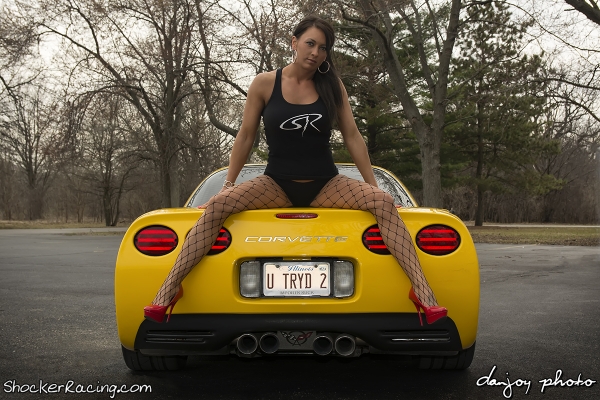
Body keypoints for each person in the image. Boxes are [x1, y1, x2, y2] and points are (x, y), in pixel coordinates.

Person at [143, 15, 447, 326]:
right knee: (218, 206)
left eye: (323, 47)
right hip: (276, 183)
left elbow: (353, 136)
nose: (315, 52)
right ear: (294, 43)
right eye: (310, 43)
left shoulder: (332, 86)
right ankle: (168, 291)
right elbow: (246, 136)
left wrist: (374, 186)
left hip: (326, 184)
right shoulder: (265, 83)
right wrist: (228, 185)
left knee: (383, 203)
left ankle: (423, 293)